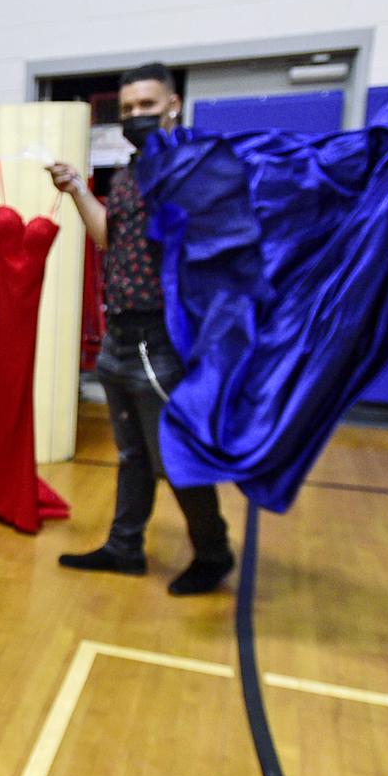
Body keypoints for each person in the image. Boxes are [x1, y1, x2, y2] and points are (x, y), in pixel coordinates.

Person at [46, 62, 235, 596]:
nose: (135, 116)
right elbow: (108, 236)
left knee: (174, 456)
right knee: (131, 454)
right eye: (127, 109)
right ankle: (125, 548)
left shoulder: (190, 169)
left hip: (162, 339)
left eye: (146, 106)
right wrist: (79, 189)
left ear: (172, 105)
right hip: (119, 334)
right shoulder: (129, 174)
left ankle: (213, 552)